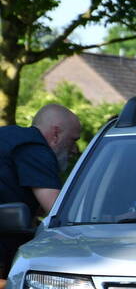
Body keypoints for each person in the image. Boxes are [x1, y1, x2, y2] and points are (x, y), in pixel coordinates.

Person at [0, 103, 81, 275]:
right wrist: (106, 217)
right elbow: (59, 212)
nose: (75, 150)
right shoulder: (35, 148)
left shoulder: (9, 137)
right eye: (73, 140)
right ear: (56, 133)